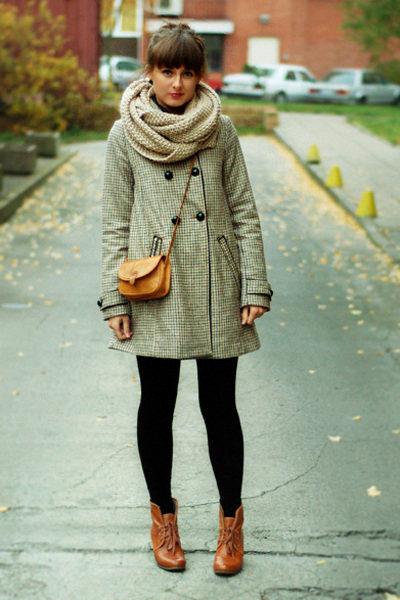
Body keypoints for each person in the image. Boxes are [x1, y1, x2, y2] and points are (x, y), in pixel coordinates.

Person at [99, 23, 273, 575]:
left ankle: (231, 523)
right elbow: (115, 222)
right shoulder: (124, 135)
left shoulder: (221, 129)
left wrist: (254, 284)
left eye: (188, 72)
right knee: (157, 405)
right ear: (149, 72)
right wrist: (113, 300)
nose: (177, 83)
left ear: (201, 76)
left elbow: (243, 210)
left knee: (220, 408)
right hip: (154, 285)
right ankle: (163, 519)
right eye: (167, 71)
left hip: (218, 285)